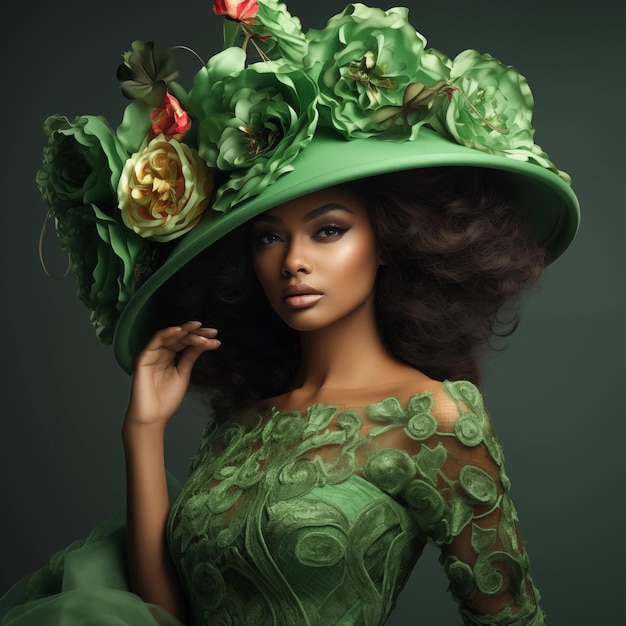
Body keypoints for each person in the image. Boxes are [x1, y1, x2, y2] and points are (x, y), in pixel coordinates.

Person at [0, 1, 579, 625]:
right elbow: (163, 612)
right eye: (269, 237)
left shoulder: (435, 419)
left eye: (328, 231)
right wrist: (142, 432)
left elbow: (510, 617)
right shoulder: (241, 425)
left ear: (387, 241)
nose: (293, 261)